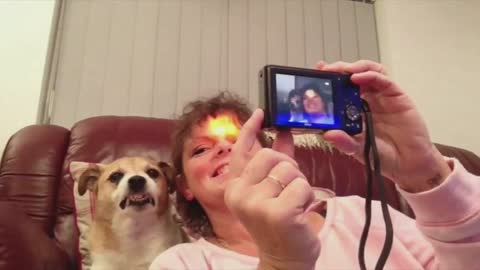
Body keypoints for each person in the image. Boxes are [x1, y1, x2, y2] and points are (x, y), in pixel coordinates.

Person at [149, 60, 480, 270]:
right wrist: (282, 264)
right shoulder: (181, 263)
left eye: (236, 139)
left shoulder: (364, 214)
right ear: (185, 187)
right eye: (201, 150)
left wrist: (428, 174)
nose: (223, 147)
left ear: (271, 152)